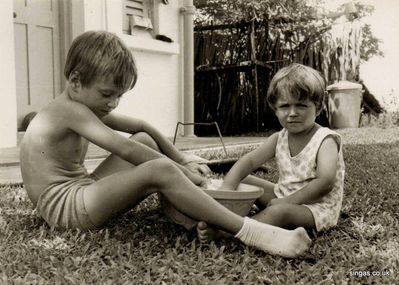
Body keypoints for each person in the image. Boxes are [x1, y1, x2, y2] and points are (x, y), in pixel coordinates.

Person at [19, 31, 311, 258]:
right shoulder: (69, 110)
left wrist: (182, 159)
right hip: (67, 210)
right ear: (75, 81)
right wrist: (180, 171)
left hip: (82, 188)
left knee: (149, 145)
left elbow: (141, 129)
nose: (112, 103)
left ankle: (187, 212)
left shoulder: (82, 103)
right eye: (107, 94)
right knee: (159, 169)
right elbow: (126, 150)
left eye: (119, 96)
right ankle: (254, 232)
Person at [198, 63, 345, 241]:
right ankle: (226, 213)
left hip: (315, 208)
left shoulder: (325, 139)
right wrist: (228, 188)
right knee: (244, 178)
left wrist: (286, 202)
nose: (292, 113)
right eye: (284, 106)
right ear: (275, 109)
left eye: (301, 105)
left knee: (279, 212)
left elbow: (325, 183)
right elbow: (250, 161)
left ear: (318, 107)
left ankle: (230, 231)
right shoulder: (279, 138)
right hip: (282, 195)